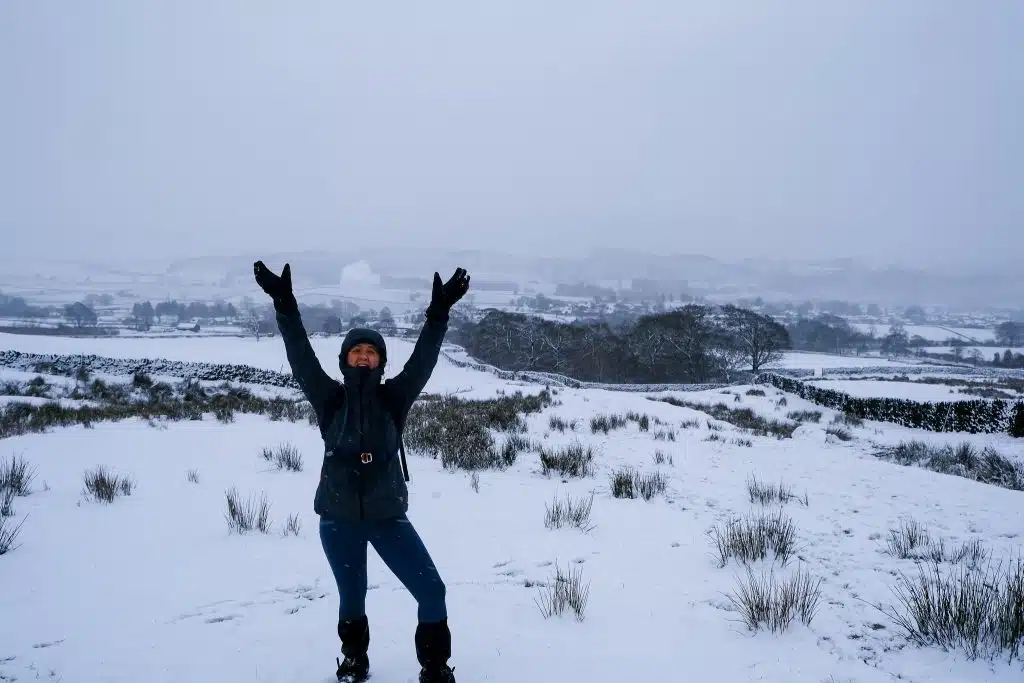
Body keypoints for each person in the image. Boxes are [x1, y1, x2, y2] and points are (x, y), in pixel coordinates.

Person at [253, 260, 470, 683]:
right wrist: (285, 305)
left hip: (388, 517)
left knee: (432, 591)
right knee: (352, 598)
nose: (365, 356)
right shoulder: (330, 400)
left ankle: (435, 666)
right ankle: (355, 660)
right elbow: (301, 358)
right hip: (338, 520)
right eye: (358, 350)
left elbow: (423, 361)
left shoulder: (394, 399)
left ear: (380, 362)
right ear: (346, 359)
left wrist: (438, 314)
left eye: (372, 352)